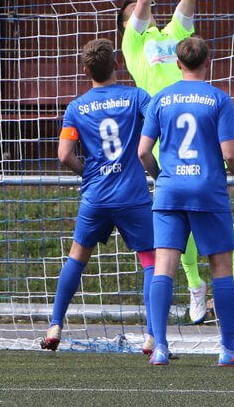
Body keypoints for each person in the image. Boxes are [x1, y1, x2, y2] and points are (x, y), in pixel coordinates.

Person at [121, 0, 234, 326]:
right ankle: (194, 286)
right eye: (135, 13)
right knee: (180, 221)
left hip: (199, 120)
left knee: (215, 198)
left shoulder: (175, 34)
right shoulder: (135, 44)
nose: (144, 12)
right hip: (164, 130)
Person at [138, 36, 234, 367]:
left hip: (170, 191)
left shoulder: (161, 99)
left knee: (164, 266)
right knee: (221, 267)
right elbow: (230, 154)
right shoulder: (219, 99)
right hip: (208, 190)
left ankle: (160, 347)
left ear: (178, 64)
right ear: (208, 62)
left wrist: (161, 177)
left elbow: (143, 152)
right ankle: (228, 349)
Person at [41, 38, 157, 352]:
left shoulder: (76, 108)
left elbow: (64, 155)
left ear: (85, 71)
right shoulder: (136, 97)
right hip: (132, 194)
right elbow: (158, 119)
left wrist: (89, 173)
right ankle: (152, 336)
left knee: (77, 257)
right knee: (151, 261)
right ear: (117, 64)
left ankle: (55, 325)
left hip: (96, 196)